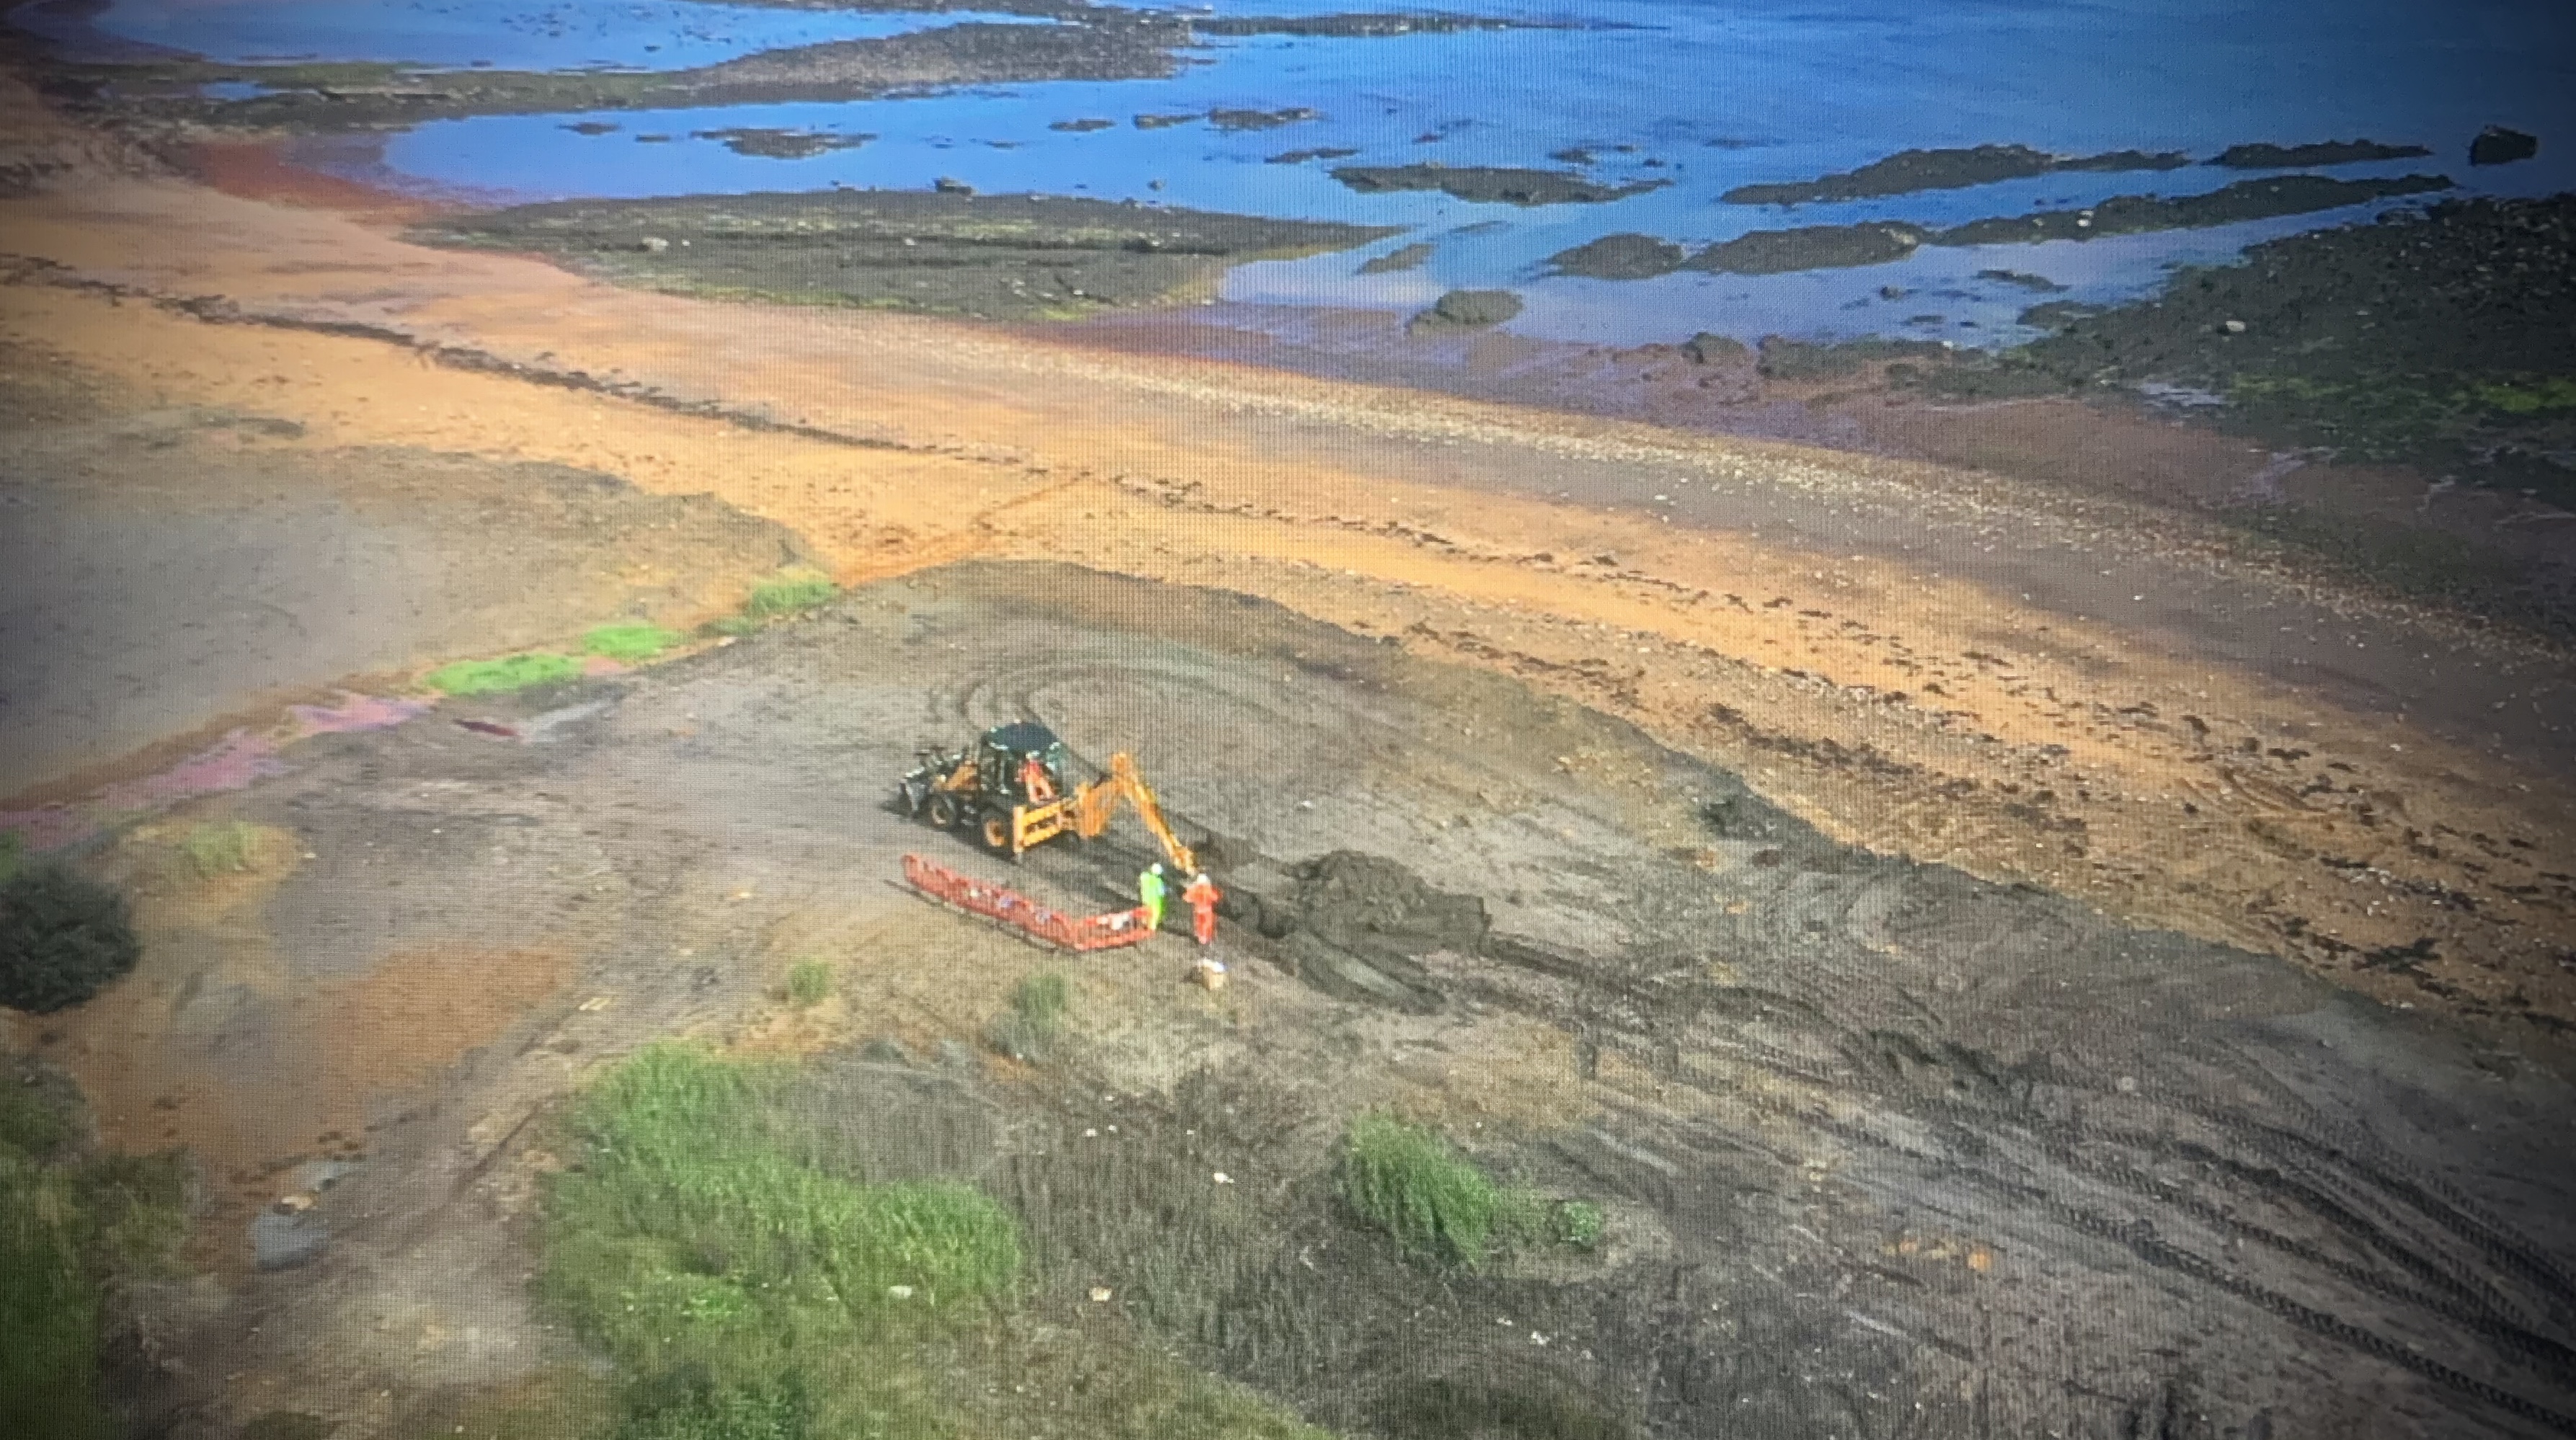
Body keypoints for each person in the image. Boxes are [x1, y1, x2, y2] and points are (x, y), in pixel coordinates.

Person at [1183, 871, 1220, 946]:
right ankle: (1206, 937)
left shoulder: (1195, 889)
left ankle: (1201, 938)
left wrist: (1189, 890)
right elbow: (1216, 897)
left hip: (1198, 909)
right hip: (1207, 910)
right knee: (1207, 924)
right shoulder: (1209, 889)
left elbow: (1187, 898)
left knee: (1199, 923)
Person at [1138, 863, 1167, 930]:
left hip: (1146, 897)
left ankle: (1144, 923)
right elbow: (1162, 892)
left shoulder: (1144, 876)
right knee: (1156, 914)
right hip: (1156, 901)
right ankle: (1152, 927)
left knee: (1146, 911)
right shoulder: (1159, 881)